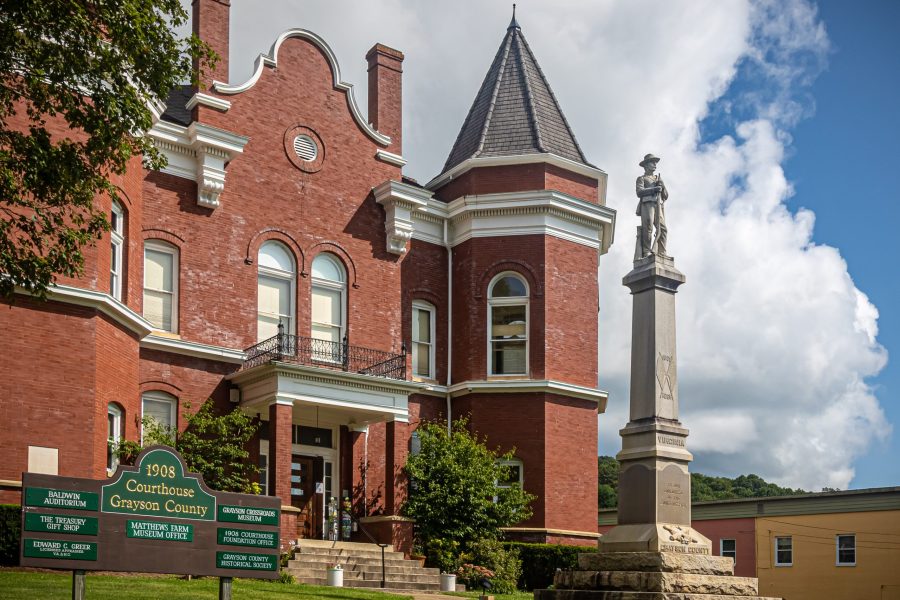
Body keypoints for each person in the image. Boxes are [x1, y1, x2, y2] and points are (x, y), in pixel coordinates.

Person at [635, 153, 668, 258]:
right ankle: (646, 251)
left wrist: (662, 186)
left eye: (655, 162)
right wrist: (654, 189)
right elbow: (639, 192)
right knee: (648, 227)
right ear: (646, 165)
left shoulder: (658, 179)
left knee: (663, 228)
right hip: (647, 203)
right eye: (652, 162)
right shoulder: (642, 178)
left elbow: (665, 196)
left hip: (658, 204)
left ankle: (662, 252)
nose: (655, 164)